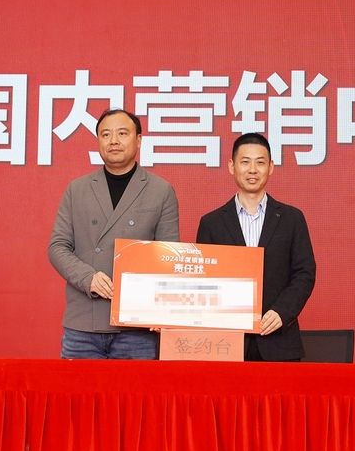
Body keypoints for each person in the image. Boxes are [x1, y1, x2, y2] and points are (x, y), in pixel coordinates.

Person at [48, 109, 179, 358]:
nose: (114, 141)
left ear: (138, 140)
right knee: (78, 386)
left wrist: (161, 311)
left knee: (135, 386)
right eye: (106, 134)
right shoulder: (77, 189)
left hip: (137, 326)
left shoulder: (161, 190)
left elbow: (169, 257)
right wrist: (88, 278)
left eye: (122, 133)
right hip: (83, 323)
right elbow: (57, 246)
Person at [196, 133, 315, 362]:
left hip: (278, 341)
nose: (252, 170)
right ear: (232, 166)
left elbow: (304, 273)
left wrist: (282, 312)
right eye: (245, 162)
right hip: (226, 343)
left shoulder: (292, 218)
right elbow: (203, 282)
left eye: (260, 162)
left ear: (271, 167)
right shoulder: (211, 223)